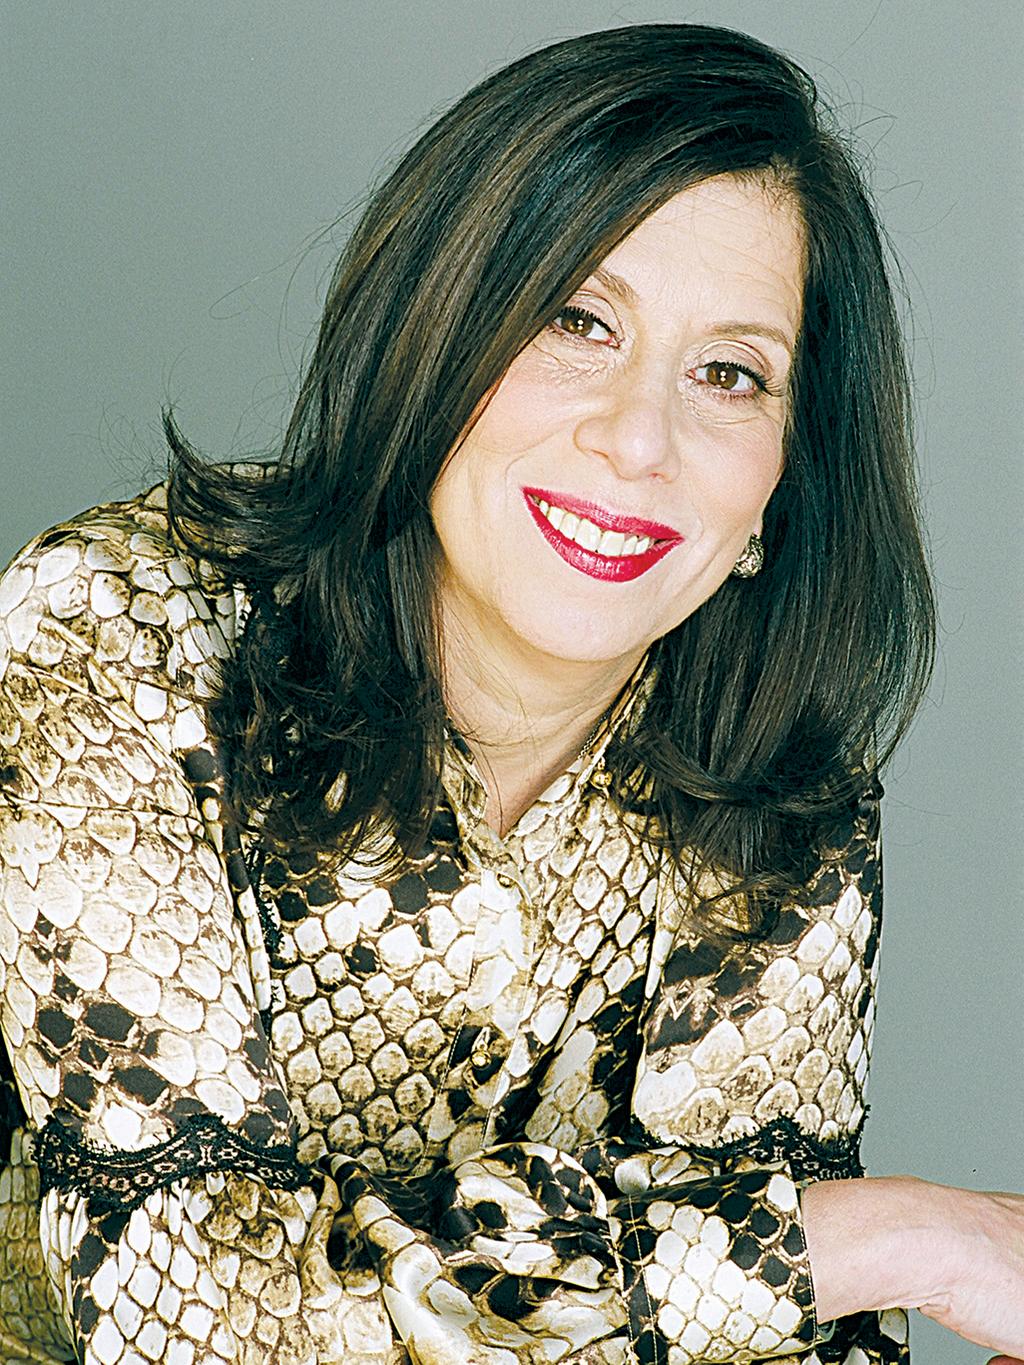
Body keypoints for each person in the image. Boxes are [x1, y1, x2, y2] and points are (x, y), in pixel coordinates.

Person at [0, 20, 1020, 1365]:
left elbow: (770, 1337)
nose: (639, 440)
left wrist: (840, 1276)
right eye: (576, 322)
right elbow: (189, 1314)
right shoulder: (121, 630)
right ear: (434, 339)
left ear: (784, 478)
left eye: (731, 374)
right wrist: (900, 1240)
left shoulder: (779, 778)